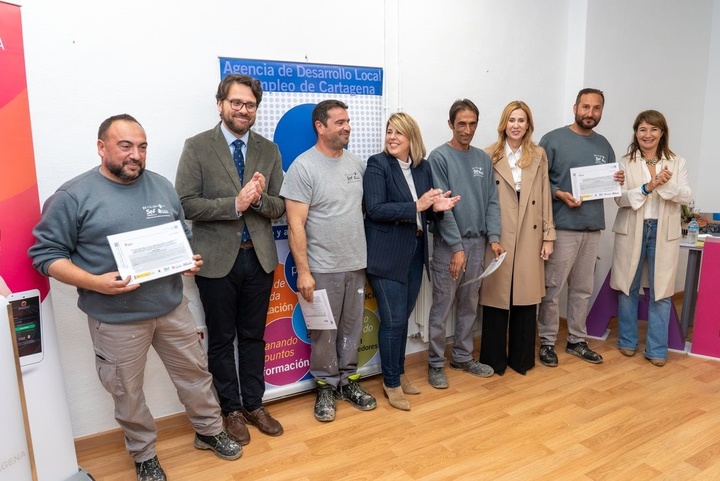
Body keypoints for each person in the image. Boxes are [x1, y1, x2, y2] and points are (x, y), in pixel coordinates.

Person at [29, 115, 241, 481]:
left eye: (142, 146)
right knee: (127, 391)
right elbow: (45, 256)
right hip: (116, 318)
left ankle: (209, 431)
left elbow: (178, 236)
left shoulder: (161, 187)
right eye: (125, 146)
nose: (136, 155)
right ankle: (143, 454)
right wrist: (95, 282)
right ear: (101, 147)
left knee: (195, 374)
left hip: (172, 308)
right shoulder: (72, 196)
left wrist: (186, 260)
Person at [175, 74, 285, 445]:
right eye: (236, 103)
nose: (242, 110)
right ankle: (231, 410)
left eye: (249, 105)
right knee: (222, 339)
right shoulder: (197, 146)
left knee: (253, 337)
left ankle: (255, 404)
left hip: (259, 260)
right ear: (220, 104)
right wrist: (233, 204)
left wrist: (256, 200)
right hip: (217, 262)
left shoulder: (268, 151)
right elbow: (186, 203)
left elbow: (279, 206)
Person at [281, 99, 376, 422]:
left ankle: (348, 380)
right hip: (321, 269)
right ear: (320, 127)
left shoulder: (356, 165)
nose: (347, 127)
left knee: (351, 328)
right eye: (339, 122)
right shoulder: (303, 168)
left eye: (348, 121)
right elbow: (295, 225)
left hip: (356, 264)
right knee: (324, 332)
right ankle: (325, 385)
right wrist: (304, 272)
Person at [363, 112, 460, 410]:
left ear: (411, 139)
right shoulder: (377, 164)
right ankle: (391, 382)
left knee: (401, 319)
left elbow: (426, 213)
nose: (391, 137)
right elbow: (375, 208)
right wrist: (416, 205)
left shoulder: (422, 167)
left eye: (398, 133)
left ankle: (398, 373)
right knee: (392, 321)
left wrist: (438, 209)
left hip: (415, 253)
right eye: (389, 131)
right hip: (386, 255)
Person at [537, 88, 624, 367]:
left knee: (583, 289)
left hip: (591, 227)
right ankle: (547, 342)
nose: (590, 113)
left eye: (596, 108)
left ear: (601, 111)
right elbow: (536, 183)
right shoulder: (552, 140)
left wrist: (617, 179)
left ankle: (576, 339)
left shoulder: (604, 145)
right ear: (575, 107)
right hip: (561, 228)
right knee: (552, 289)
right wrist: (559, 193)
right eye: (585, 107)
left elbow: (608, 184)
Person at [426, 99, 504, 389]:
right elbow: (442, 207)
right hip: (450, 245)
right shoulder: (440, 157)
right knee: (442, 306)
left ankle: (462, 356)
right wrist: (457, 248)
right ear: (450, 124)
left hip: (478, 242)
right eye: (461, 123)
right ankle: (435, 363)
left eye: (472, 124)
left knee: (469, 306)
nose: (467, 129)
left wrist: (494, 239)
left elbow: (492, 202)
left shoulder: (483, 159)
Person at [479, 101, 556, 376]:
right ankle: (493, 360)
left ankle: (522, 359)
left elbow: (546, 194)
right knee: (497, 295)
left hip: (530, 230)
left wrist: (549, 236)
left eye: (521, 120)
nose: (516, 125)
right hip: (499, 232)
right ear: (504, 123)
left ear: (528, 125)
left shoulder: (539, 155)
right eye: (511, 120)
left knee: (526, 294)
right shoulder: (488, 154)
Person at [610, 110, 692, 366]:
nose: (648, 135)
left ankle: (657, 349)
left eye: (654, 129)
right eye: (643, 129)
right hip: (632, 228)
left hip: (663, 230)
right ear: (636, 132)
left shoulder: (677, 161)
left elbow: (686, 196)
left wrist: (664, 184)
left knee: (662, 291)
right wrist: (648, 186)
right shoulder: (625, 162)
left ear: (662, 133)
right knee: (627, 287)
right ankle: (627, 341)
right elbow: (620, 199)